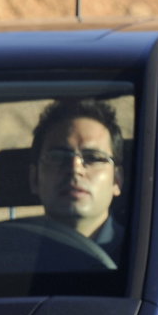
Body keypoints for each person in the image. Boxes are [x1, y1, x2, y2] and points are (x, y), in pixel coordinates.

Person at [28, 97, 126, 261]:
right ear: (34, 179)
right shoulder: (7, 256)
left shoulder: (146, 257)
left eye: (93, 157)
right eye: (58, 157)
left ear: (117, 180)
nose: (75, 168)